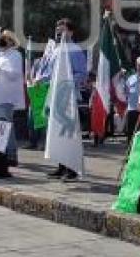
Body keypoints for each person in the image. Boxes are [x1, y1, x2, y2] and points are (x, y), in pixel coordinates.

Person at [46, 18, 87, 183]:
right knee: (57, 131)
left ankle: (72, 168)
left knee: (69, 132)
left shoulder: (75, 49)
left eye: (62, 30)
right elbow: (50, 72)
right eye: (58, 31)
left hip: (68, 96)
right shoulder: (56, 50)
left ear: (70, 32)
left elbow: (82, 73)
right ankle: (61, 165)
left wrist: (66, 82)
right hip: (56, 96)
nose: (59, 33)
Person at [0, 30, 25, 176]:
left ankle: (11, 155)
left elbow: (14, 75)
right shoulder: (0, 56)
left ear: (11, 41)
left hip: (6, 98)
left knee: (7, 126)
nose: (1, 40)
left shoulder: (15, 55)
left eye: (5, 38)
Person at [125, 56, 140, 141]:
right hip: (132, 110)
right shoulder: (130, 78)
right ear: (136, 65)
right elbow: (126, 92)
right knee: (131, 133)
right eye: (139, 64)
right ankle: (130, 152)